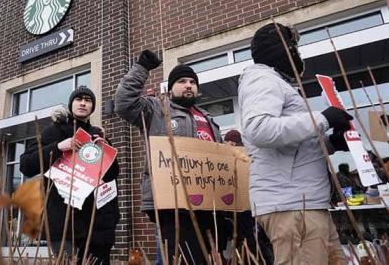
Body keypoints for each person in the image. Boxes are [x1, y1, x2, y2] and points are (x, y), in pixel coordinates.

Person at [238, 23, 353, 264]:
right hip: (291, 206)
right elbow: (260, 130)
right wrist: (323, 119)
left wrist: (332, 143)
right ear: (279, 48)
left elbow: (294, 146)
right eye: (292, 46)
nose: (297, 53)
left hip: (306, 203)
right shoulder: (262, 78)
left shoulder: (277, 83)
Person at [114, 50, 226, 264]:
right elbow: (123, 103)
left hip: (209, 205)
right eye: (182, 81)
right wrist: (141, 68)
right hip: (172, 203)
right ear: (171, 87)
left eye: (193, 82)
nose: (188, 85)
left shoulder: (208, 118)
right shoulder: (156, 109)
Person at [20, 86, 119, 265]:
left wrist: (105, 152)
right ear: (71, 103)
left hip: (96, 226)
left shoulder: (97, 134)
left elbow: (112, 177)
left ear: (93, 107)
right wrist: (58, 147)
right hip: (64, 224)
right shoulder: (54, 131)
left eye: (88, 100)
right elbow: (26, 165)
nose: (83, 103)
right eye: (79, 99)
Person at [223, 129, 274, 265]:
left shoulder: (246, 159)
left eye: (232, 143)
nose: (229, 146)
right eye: (226, 143)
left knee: (253, 243)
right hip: (237, 215)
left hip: (249, 212)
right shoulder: (226, 160)